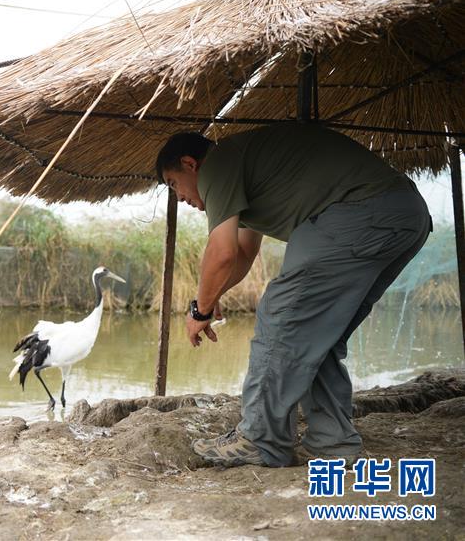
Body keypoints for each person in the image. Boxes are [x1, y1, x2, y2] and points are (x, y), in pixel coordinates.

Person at [154, 122, 431, 468]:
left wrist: (199, 310)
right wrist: (214, 295)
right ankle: (333, 441)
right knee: (317, 332)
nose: (178, 197)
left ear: (190, 164)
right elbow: (242, 252)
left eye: (173, 183)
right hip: (404, 214)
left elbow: (221, 252)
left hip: (359, 211)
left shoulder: (219, 163)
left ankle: (260, 438)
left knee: (282, 315)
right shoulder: (245, 171)